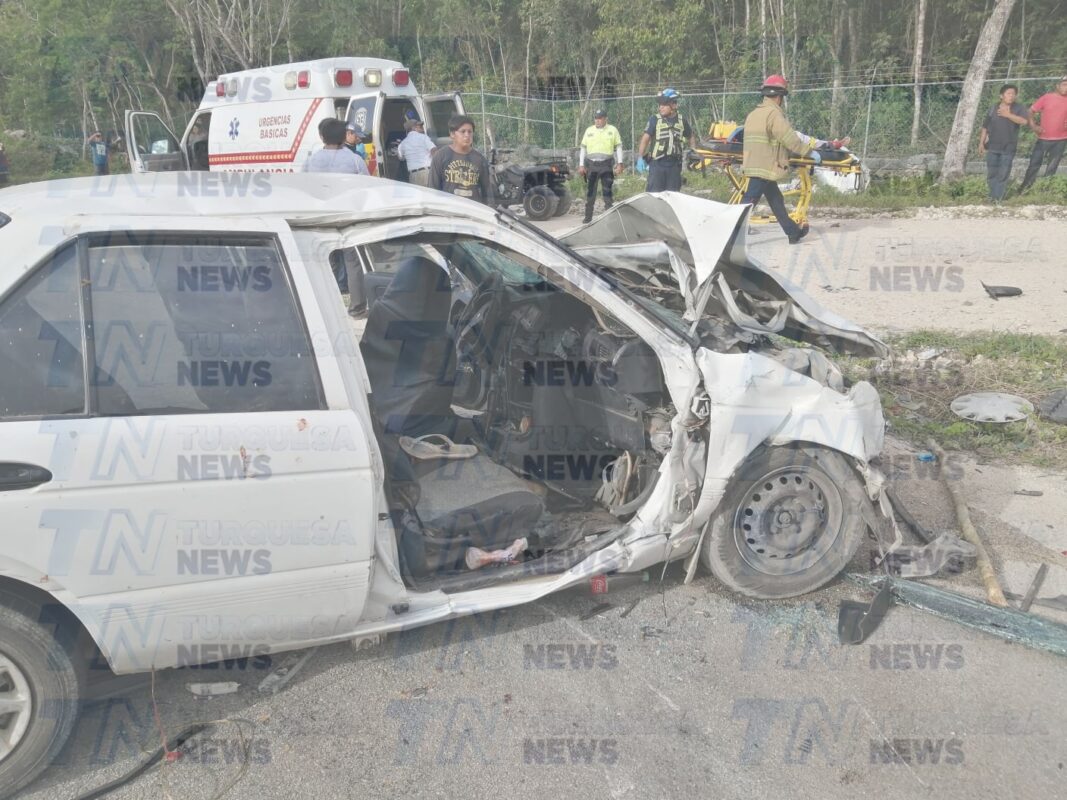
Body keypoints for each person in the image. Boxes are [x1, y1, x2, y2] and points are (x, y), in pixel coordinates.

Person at [741, 75, 818, 244]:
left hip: (754, 163)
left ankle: (792, 232)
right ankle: (730, 234)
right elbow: (790, 140)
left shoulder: (753, 114)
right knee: (748, 203)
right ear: (779, 96)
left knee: (776, 200)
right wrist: (809, 152)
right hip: (765, 166)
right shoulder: (774, 115)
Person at [636, 88, 695, 192]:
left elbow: (691, 136)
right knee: (655, 196)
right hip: (657, 164)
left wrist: (694, 152)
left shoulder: (682, 121)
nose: (660, 107)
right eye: (659, 105)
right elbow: (645, 139)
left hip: (674, 166)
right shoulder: (655, 119)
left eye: (664, 104)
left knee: (673, 196)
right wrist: (640, 157)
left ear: (673, 105)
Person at [978, 84, 1028, 203]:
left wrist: (1008, 115)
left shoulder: (1018, 108)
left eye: (1013, 94)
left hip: (1008, 147)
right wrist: (981, 143)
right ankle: (992, 197)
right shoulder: (993, 108)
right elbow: (985, 127)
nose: (1011, 96)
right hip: (992, 146)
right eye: (1008, 93)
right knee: (992, 174)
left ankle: (998, 199)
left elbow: (1024, 121)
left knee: (1003, 174)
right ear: (1001, 95)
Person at [429, 114, 494, 205]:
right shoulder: (441, 156)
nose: (467, 135)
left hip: (473, 211)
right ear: (452, 134)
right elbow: (433, 188)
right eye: (463, 131)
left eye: (470, 132)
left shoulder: (479, 159)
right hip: (449, 210)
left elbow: (487, 192)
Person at [1019, 76, 1067, 193]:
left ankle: (1046, 191)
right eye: (1064, 84)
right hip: (1043, 139)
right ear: (1057, 86)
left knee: (1052, 167)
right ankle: (1025, 189)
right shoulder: (1047, 98)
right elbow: (1030, 111)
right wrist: (1034, 126)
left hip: (1061, 139)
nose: (1066, 88)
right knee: (1034, 164)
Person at [578, 109, 624, 223]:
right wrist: (581, 165)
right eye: (596, 118)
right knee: (591, 193)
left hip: (606, 165)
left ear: (605, 119)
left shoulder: (612, 130)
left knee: (607, 192)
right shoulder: (589, 130)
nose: (597, 121)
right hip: (592, 165)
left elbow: (618, 147)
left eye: (600, 118)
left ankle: (610, 219)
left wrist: (620, 163)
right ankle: (588, 218)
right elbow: (583, 148)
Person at [303, 118, 369, 175]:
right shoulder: (356, 161)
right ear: (344, 137)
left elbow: (303, 184)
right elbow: (366, 184)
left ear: (322, 137)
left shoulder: (309, 161)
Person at [398, 117, 437, 186]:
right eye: (419, 126)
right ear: (413, 128)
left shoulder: (402, 144)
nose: (422, 127)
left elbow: (401, 158)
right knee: (432, 195)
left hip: (413, 175)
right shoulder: (424, 137)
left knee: (418, 196)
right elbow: (433, 150)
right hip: (427, 173)